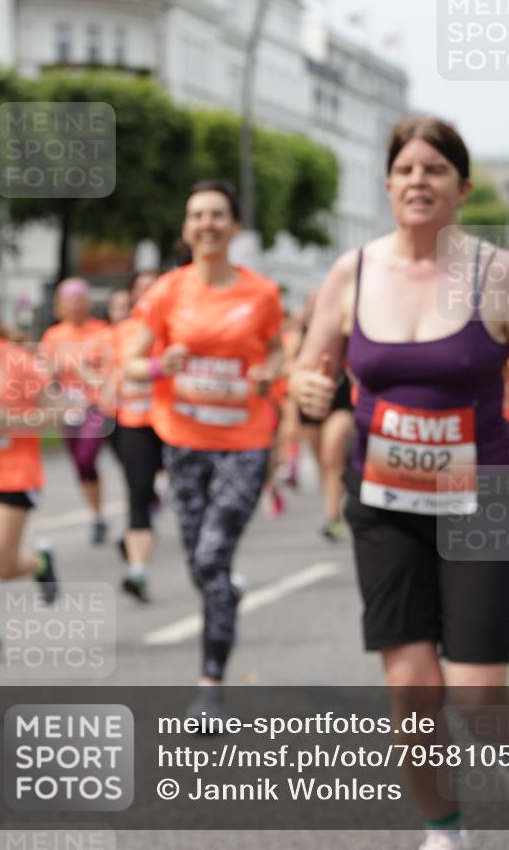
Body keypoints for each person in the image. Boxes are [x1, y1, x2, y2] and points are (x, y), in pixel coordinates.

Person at [291, 116, 509, 850]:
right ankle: (443, 832)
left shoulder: (497, 272)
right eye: (406, 169)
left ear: (461, 189)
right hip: (383, 505)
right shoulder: (350, 272)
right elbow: (310, 365)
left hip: (479, 497)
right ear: (387, 185)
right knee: (413, 691)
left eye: (435, 170)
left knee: (477, 691)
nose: (418, 180)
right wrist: (306, 389)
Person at [126, 181, 283, 698]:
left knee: (213, 559)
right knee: (200, 565)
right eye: (198, 215)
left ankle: (209, 681)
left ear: (235, 226)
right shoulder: (167, 291)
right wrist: (155, 364)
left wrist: (268, 372)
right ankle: (225, 600)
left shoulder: (261, 293)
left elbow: (279, 352)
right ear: (186, 228)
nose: (208, 224)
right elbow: (130, 362)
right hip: (184, 442)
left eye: (218, 215)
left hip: (244, 443)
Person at [0, 282, 59, 666]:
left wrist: (13, 421)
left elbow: (60, 413)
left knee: (2, 565)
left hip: (13, 474)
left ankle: (39, 563)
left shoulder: (17, 361)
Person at [40, 278, 111, 544]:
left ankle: (98, 512)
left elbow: (109, 369)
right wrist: (58, 367)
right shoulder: (54, 336)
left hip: (95, 404)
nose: (76, 306)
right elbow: (44, 374)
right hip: (68, 407)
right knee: (80, 465)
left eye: (80, 300)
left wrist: (86, 370)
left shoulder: (102, 331)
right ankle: (97, 515)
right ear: (61, 305)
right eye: (70, 301)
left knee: (87, 455)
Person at [108, 271, 163, 602]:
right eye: (140, 290)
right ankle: (137, 570)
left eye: (152, 289)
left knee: (168, 488)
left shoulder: (175, 325)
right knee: (138, 492)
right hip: (132, 421)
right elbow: (115, 369)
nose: (146, 295)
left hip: (172, 423)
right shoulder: (123, 331)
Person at [296, 290, 355, 540]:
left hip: (341, 398)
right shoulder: (304, 335)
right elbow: (293, 368)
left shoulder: (349, 328)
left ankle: (332, 516)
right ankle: (332, 501)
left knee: (332, 454)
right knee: (322, 459)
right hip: (310, 402)